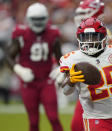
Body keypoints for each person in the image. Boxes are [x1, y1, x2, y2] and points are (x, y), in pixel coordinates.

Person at [59, 17, 112, 131]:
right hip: (94, 119)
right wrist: (71, 81)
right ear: (79, 38)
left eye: (93, 36)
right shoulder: (73, 59)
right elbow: (66, 91)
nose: (89, 41)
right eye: (85, 37)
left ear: (103, 37)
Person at [6, 3, 63, 131]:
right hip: (28, 84)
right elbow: (8, 57)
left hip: (46, 81)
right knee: (33, 121)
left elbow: (61, 58)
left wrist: (61, 69)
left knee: (53, 118)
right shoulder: (21, 34)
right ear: (29, 19)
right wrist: (20, 70)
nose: (38, 23)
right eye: (35, 19)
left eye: (40, 19)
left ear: (46, 18)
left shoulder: (53, 33)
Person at [70, 0, 112, 130]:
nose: (79, 16)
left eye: (83, 12)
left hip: (98, 87)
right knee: (77, 126)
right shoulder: (88, 33)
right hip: (89, 86)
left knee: (79, 126)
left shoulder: (104, 34)